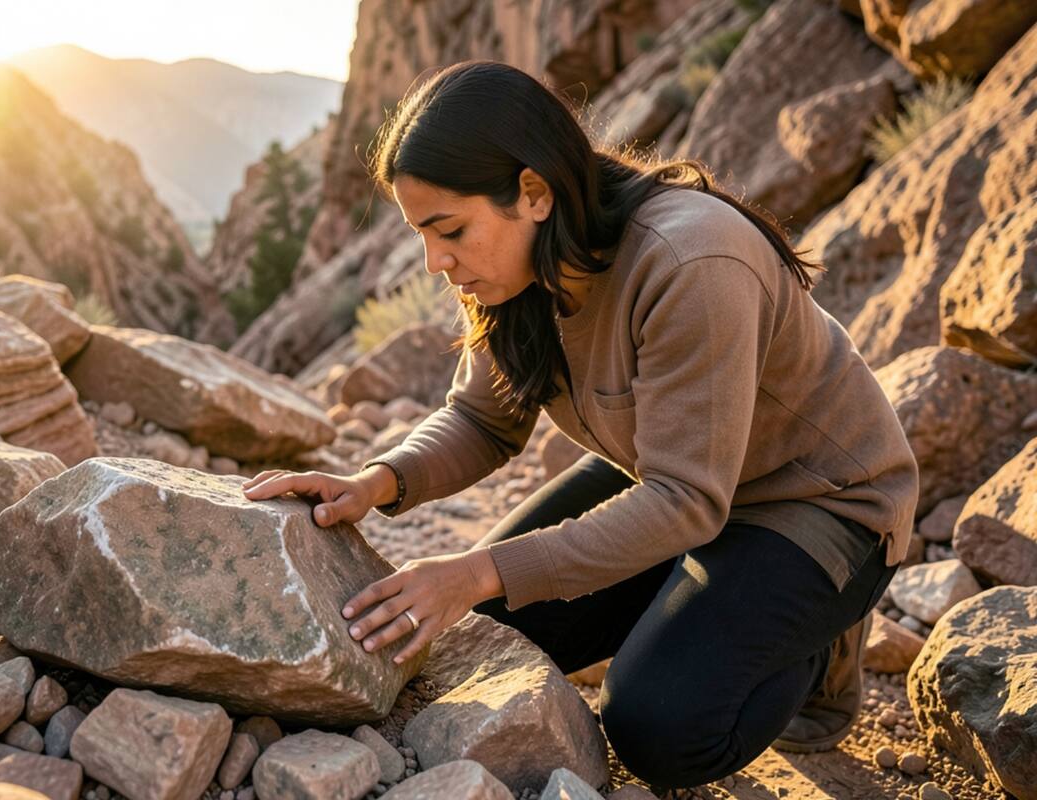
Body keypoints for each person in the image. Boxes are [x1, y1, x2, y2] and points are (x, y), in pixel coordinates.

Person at [241, 59, 920, 792]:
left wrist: (472, 571)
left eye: (450, 230)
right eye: (423, 236)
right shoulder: (516, 268)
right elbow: (481, 417)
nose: (438, 262)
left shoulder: (691, 259)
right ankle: (711, 596)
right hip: (670, 472)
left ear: (532, 192)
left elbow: (687, 500)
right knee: (491, 639)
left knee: (657, 725)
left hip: (817, 501)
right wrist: (375, 481)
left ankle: (817, 642)